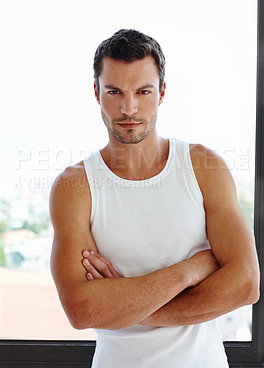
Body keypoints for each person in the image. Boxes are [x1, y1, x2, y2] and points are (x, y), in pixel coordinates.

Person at [49, 29, 260, 368]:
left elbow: (246, 284)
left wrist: (124, 307)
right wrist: (193, 269)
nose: (128, 108)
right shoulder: (75, 186)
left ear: (161, 92)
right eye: (114, 91)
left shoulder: (204, 167)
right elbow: (82, 309)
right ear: (96, 93)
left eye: (142, 91)